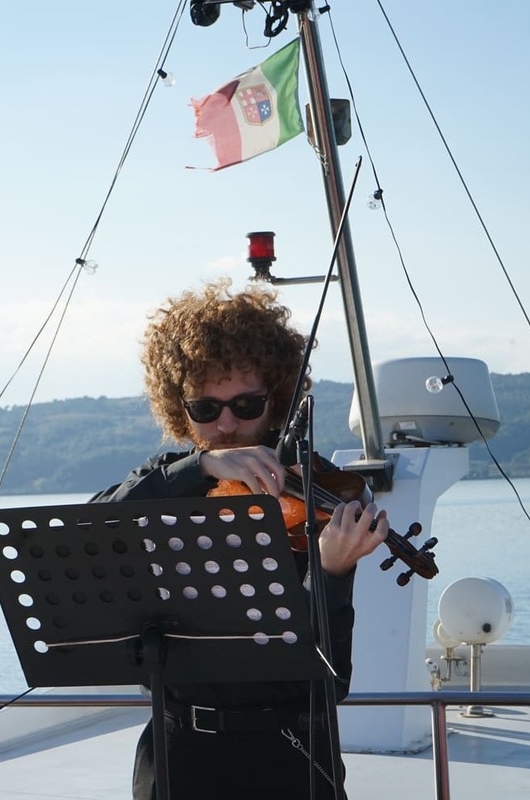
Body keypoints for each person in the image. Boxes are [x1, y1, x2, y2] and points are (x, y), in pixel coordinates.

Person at [90, 279, 388, 800]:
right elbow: (89, 526)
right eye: (206, 409)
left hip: (292, 756)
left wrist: (331, 572)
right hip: (177, 755)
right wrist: (201, 466)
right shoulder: (165, 483)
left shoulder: (314, 491)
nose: (226, 425)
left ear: (277, 401)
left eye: (247, 405)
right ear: (180, 409)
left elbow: (329, 678)